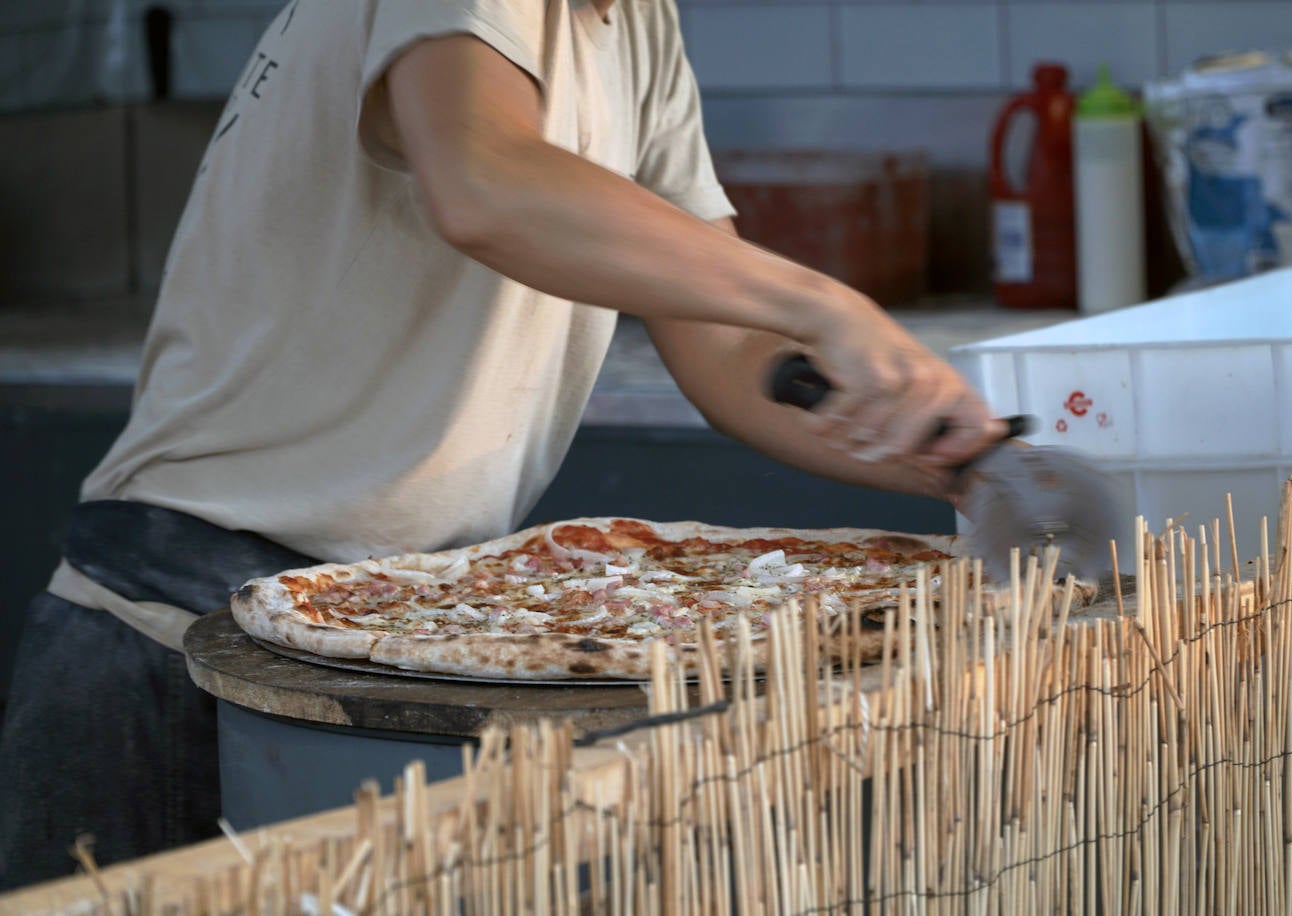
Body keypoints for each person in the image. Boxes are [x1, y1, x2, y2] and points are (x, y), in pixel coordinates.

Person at [0, 0, 1004, 890]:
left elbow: (732, 345)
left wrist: (948, 454)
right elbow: (484, 179)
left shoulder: (634, 26)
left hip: (386, 650)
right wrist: (825, 301)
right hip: (168, 642)